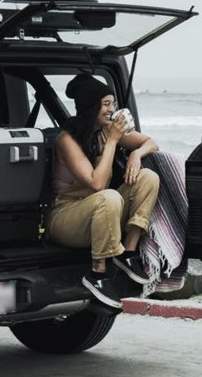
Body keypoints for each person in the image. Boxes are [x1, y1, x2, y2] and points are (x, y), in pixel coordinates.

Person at [46, 73, 161, 308]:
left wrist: (136, 155)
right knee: (107, 196)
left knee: (148, 177)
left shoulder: (106, 131)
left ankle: (127, 253)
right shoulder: (67, 140)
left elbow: (151, 142)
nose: (112, 109)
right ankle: (97, 273)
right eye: (106, 104)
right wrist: (112, 142)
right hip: (66, 217)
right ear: (91, 106)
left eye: (113, 103)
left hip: (101, 212)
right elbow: (96, 183)